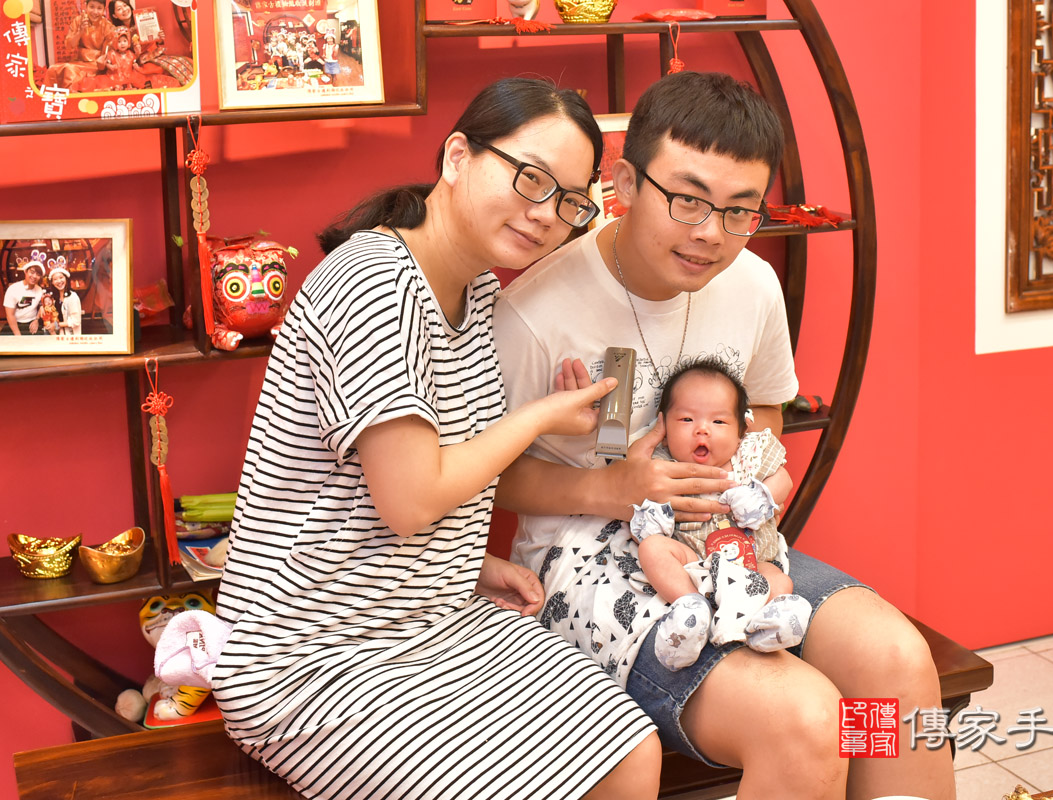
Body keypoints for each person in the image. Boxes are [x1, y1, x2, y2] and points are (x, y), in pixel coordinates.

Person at [495, 71, 956, 800]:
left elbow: (764, 412)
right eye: (687, 199)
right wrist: (610, 489)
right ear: (625, 182)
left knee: (894, 663)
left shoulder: (752, 284)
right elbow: (489, 478)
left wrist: (751, 480)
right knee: (805, 720)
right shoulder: (533, 310)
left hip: (729, 546)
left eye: (739, 210)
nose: (711, 233)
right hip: (585, 561)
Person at [211, 77, 660, 800]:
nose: (546, 214)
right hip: (310, 660)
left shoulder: (474, 289)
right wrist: (539, 417)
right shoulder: (372, 283)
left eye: (570, 201)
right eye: (531, 178)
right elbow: (411, 499)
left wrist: (465, 566)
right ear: (457, 156)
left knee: (629, 748)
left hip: (433, 621)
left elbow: (388, 486)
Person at [630, 358, 813, 671]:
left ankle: (769, 624)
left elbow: (784, 478)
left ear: (742, 430)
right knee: (652, 548)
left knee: (779, 581)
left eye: (718, 421)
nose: (702, 429)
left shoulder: (749, 456)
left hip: (752, 565)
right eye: (686, 419)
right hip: (693, 564)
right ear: (664, 428)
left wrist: (763, 496)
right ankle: (690, 608)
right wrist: (652, 517)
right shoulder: (662, 466)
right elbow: (647, 501)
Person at [3, 261, 45, 336]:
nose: (34, 276)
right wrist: (18, 335)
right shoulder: (13, 289)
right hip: (15, 323)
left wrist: (36, 320)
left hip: (32, 322)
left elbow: (40, 304)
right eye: (32, 272)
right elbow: (10, 315)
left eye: (38, 274)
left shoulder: (39, 290)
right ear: (25, 272)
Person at [47, 265, 82, 336]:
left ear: (66, 279)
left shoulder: (73, 297)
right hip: (59, 334)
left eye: (61, 277)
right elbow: (58, 318)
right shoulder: (55, 298)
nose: (59, 281)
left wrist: (56, 325)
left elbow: (76, 321)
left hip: (71, 336)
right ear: (52, 282)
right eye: (55, 279)